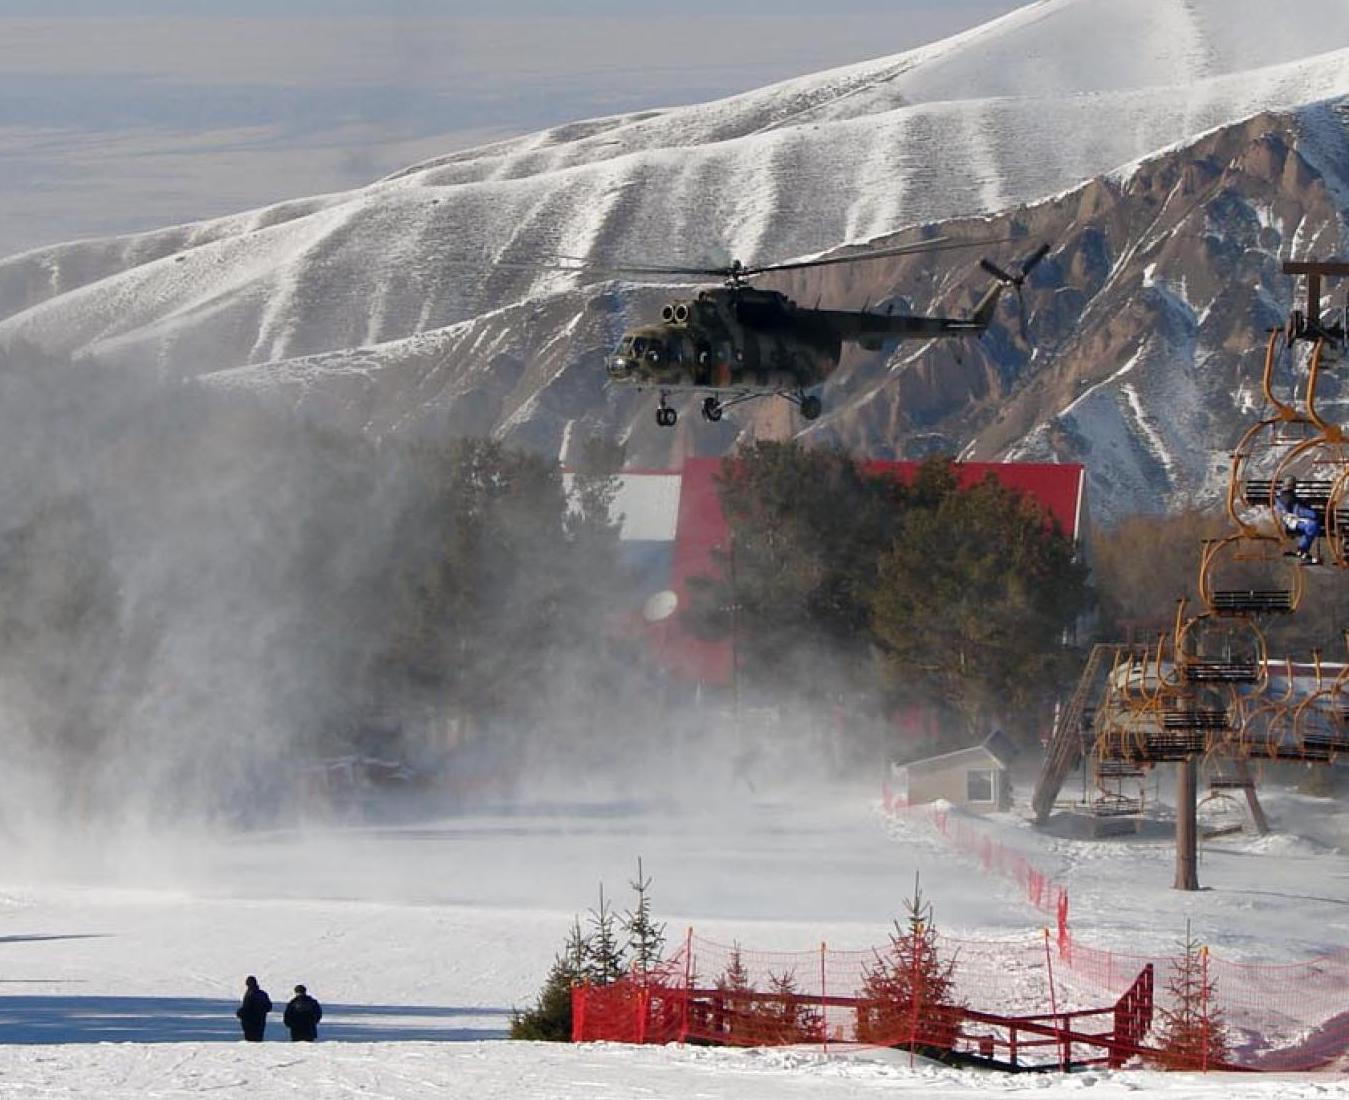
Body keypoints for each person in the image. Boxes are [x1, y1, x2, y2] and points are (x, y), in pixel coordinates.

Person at [1274, 476, 1322, 563]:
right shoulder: (1289, 498)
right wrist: (1315, 514)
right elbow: (1299, 511)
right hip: (1293, 521)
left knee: (1312, 526)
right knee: (1312, 526)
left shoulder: (1282, 497)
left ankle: (1303, 551)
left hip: (1289, 521)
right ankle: (1302, 550)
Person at [235, 975, 272, 1042]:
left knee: (251, 1041)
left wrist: (239, 1013)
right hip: (260, 1022)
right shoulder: (262, 994)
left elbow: (246, 1008)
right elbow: (269, 1007)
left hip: (249, 1022)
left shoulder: (250, 994)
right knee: (258, 1039)